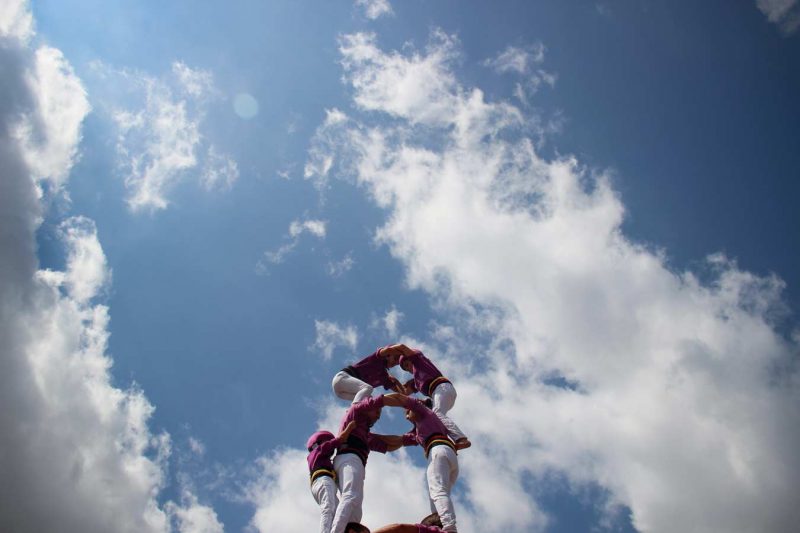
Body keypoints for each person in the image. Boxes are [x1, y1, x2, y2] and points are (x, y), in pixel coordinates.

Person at [329, 394, 407, 533]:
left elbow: (388, 445)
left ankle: (349, 530)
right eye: (377, 411)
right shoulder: (355, 412)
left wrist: (410, 439)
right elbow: (381, 400)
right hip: (350, 458)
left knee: (356, 508)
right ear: (368, 406)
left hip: (351, 460)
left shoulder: (365, 434)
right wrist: (410, 403)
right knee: (351, 496)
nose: (378, 416)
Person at [385, 393, 459, 533]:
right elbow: (397, 441)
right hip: (447, 454)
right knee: (436, 498)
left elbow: (403, 399)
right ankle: (440, 526)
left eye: (407, 412)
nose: (407, 417)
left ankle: (449, 527)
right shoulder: (420, 430)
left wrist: (378, 401)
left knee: (437, 491)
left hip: (438, 451)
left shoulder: (425, 412)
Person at [396, 346, 470, 450]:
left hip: (442, 388)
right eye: (406, 369)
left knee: (437, 413)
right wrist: (393, 382)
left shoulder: (419, 362)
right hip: (438, 393)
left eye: (407, 365)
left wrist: (393, 351)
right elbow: (404, 393)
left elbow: (405, 349)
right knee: (435, 416)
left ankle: (461, 439)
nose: (409, 369)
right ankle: (446, 442)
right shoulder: (417, 381)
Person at [307, 421, 356, 533]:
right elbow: (339, 440)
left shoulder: (318, 457)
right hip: (323, 481)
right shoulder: (319, 450)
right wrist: (349, 428)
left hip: (321, 483)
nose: (330, 444)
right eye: (327, 441)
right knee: (329, 508)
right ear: (319, 442)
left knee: (337, 512)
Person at [332, 345, 405, 403]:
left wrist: (397, 382)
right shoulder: (378, 358)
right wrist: (405, 352)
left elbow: (402, 393)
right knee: (368, 388)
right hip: (342, 378)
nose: (395, 363)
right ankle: (355, 409)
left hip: (341, 393)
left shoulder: (384, 377)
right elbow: (389, 350)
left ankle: (355, 418)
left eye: (396, 363)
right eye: (395, 358)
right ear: (388, 355)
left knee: (369, 400)